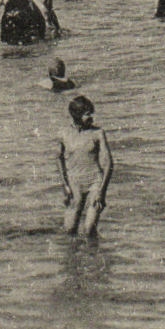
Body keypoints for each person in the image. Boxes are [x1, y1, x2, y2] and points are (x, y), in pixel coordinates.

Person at [58, 95, 114, 239]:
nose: (92, 117)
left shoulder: (98, 133)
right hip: (74, 183)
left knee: (88, 231)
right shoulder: (64, 133)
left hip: (94, 183)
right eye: (87, 114)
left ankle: (93, 256)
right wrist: (65, 185)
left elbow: (108, 163)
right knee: (69, 231)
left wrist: (102, 191)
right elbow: (58, 159)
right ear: (76, 115)